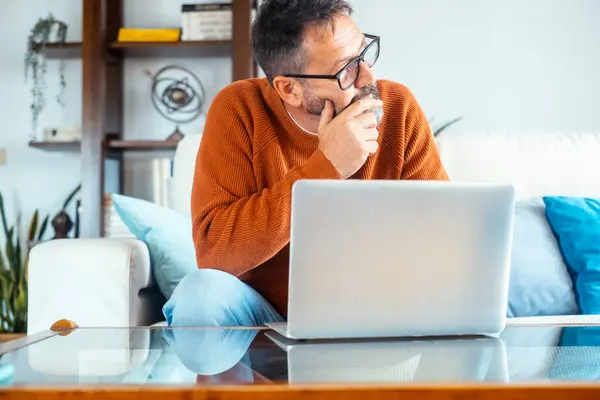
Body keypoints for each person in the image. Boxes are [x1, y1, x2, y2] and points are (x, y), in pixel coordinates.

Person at [163, 0, 449, 327]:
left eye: (364, 53)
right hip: (265, 315)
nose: (369, 77)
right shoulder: (240, 109)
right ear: (290, 88)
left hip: (375, 308)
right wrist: (326, 166)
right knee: (201, 296)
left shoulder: (398, 108)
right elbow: (214, 255)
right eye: (346, 69)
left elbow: (443, 237)